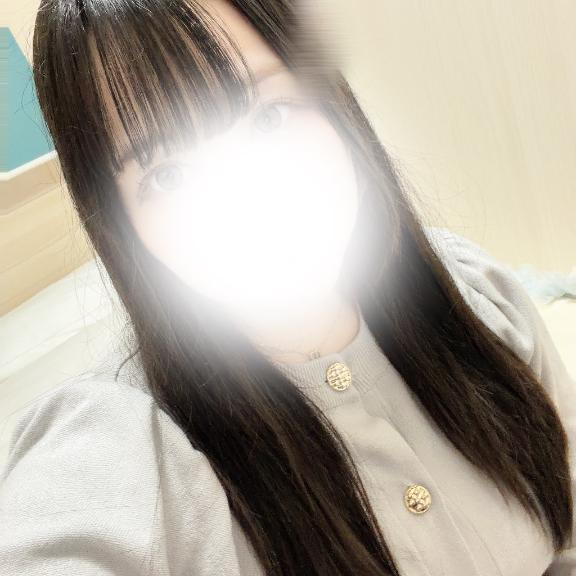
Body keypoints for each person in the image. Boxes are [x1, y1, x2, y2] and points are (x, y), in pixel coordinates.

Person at [0, 0, 574, 574]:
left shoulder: (474, 294)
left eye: (270, 117)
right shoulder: (125, 446)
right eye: (167, 176)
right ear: (123, 227)